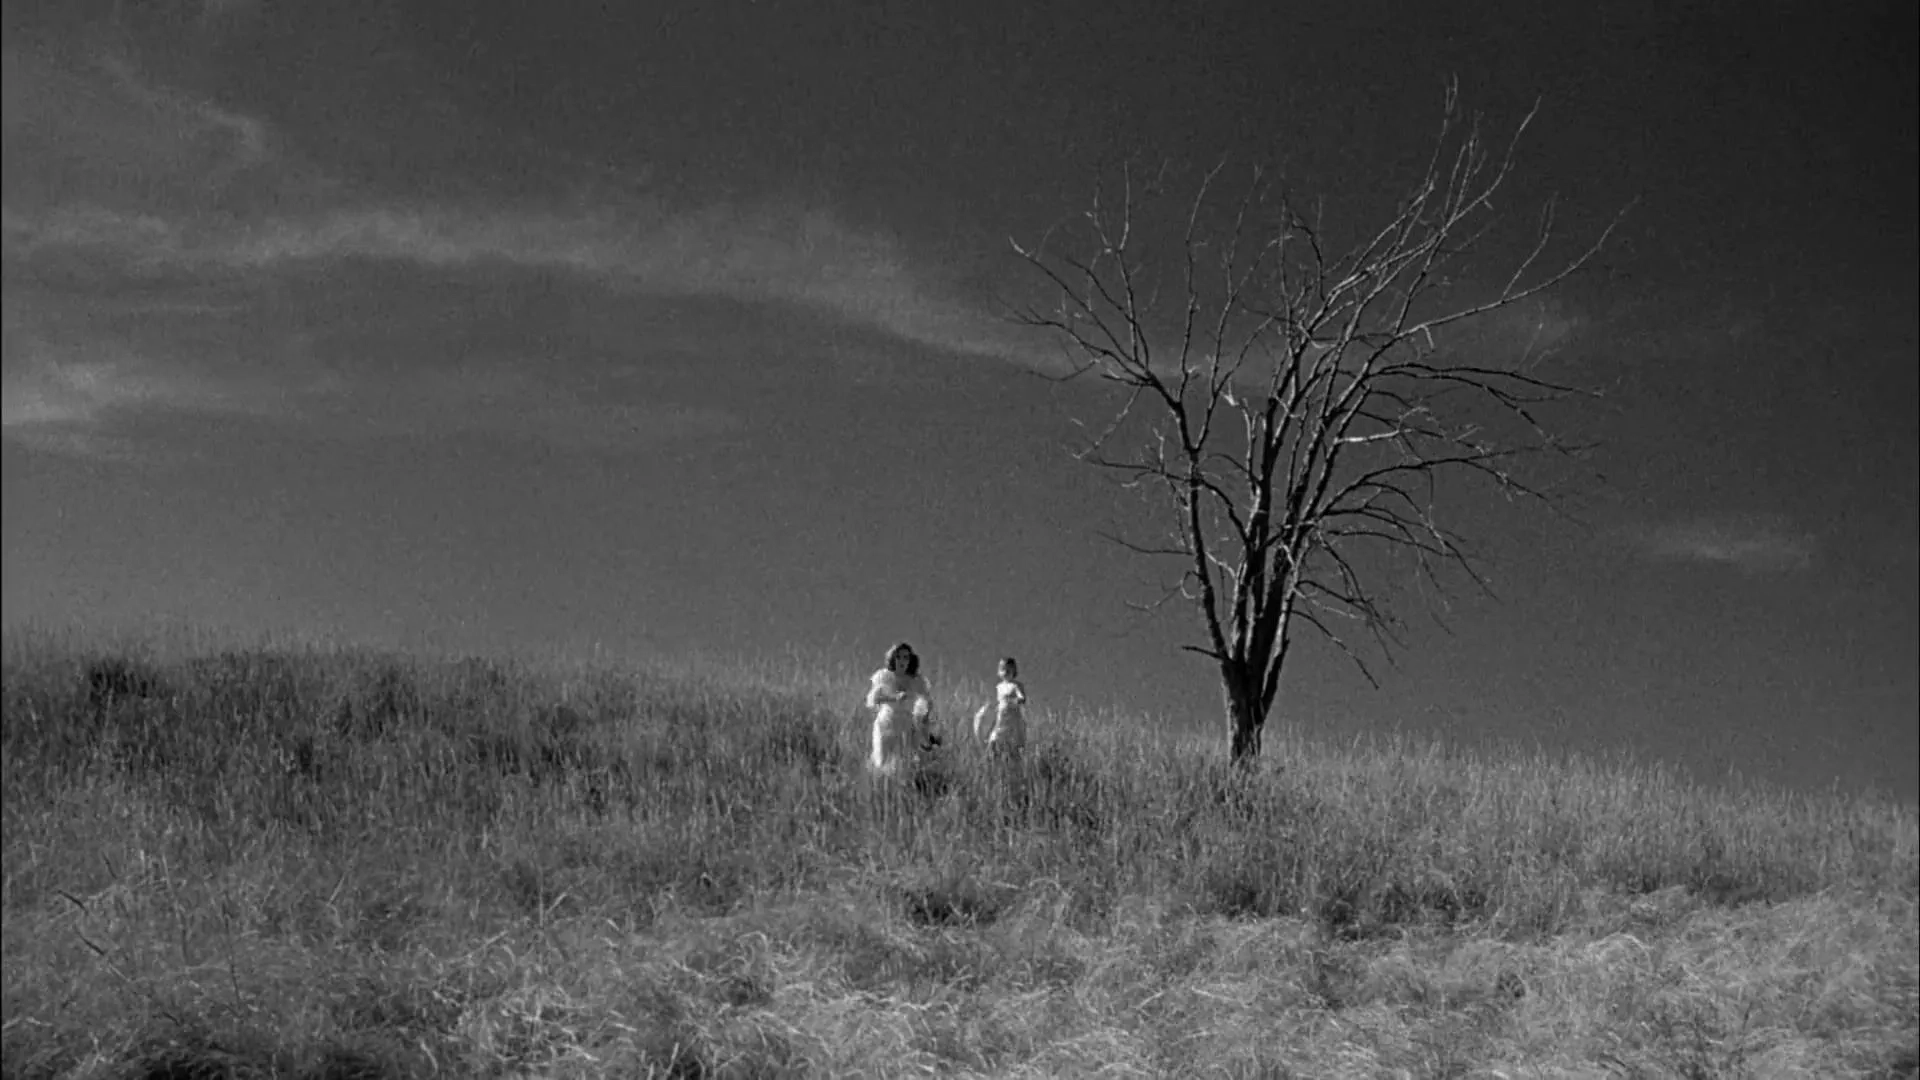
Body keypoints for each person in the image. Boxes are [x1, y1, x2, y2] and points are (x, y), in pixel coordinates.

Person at [865, 641, 938, 778]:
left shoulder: (917, 680)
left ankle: (901, 790)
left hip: (906, 726)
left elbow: (927, 700)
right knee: (882, 761)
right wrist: (894, 698)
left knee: (903, 764)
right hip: (886, 723)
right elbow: (873, 699)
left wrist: (924, 717)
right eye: (898, 657)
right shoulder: (884, 676)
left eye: (906, 657)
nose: (902, 661)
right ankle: (880, 787)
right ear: (893, 658)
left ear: (911, 660)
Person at [972, 656, 1028, 758]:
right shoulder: (999, 687)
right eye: (1003, 669)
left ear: (1014, 671)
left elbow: (1022, 698)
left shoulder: (1016, 685)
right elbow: (998, 704)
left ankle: (1009, 763)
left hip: (1013, 720)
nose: (1006, 672)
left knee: (1012, 746)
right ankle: (992, 763)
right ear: (999, 672)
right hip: (1001, 719)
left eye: (1009, 669)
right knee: (993, 741)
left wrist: (1012, 701)